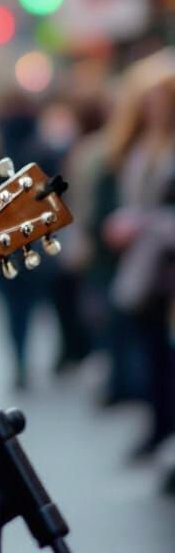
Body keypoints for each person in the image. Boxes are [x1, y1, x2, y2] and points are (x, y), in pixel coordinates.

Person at [101, 51, 175, 464]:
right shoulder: (141, 143)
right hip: (144, 269)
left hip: (165, 264)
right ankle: (158, 425)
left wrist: (142, 224)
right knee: (152, 352)